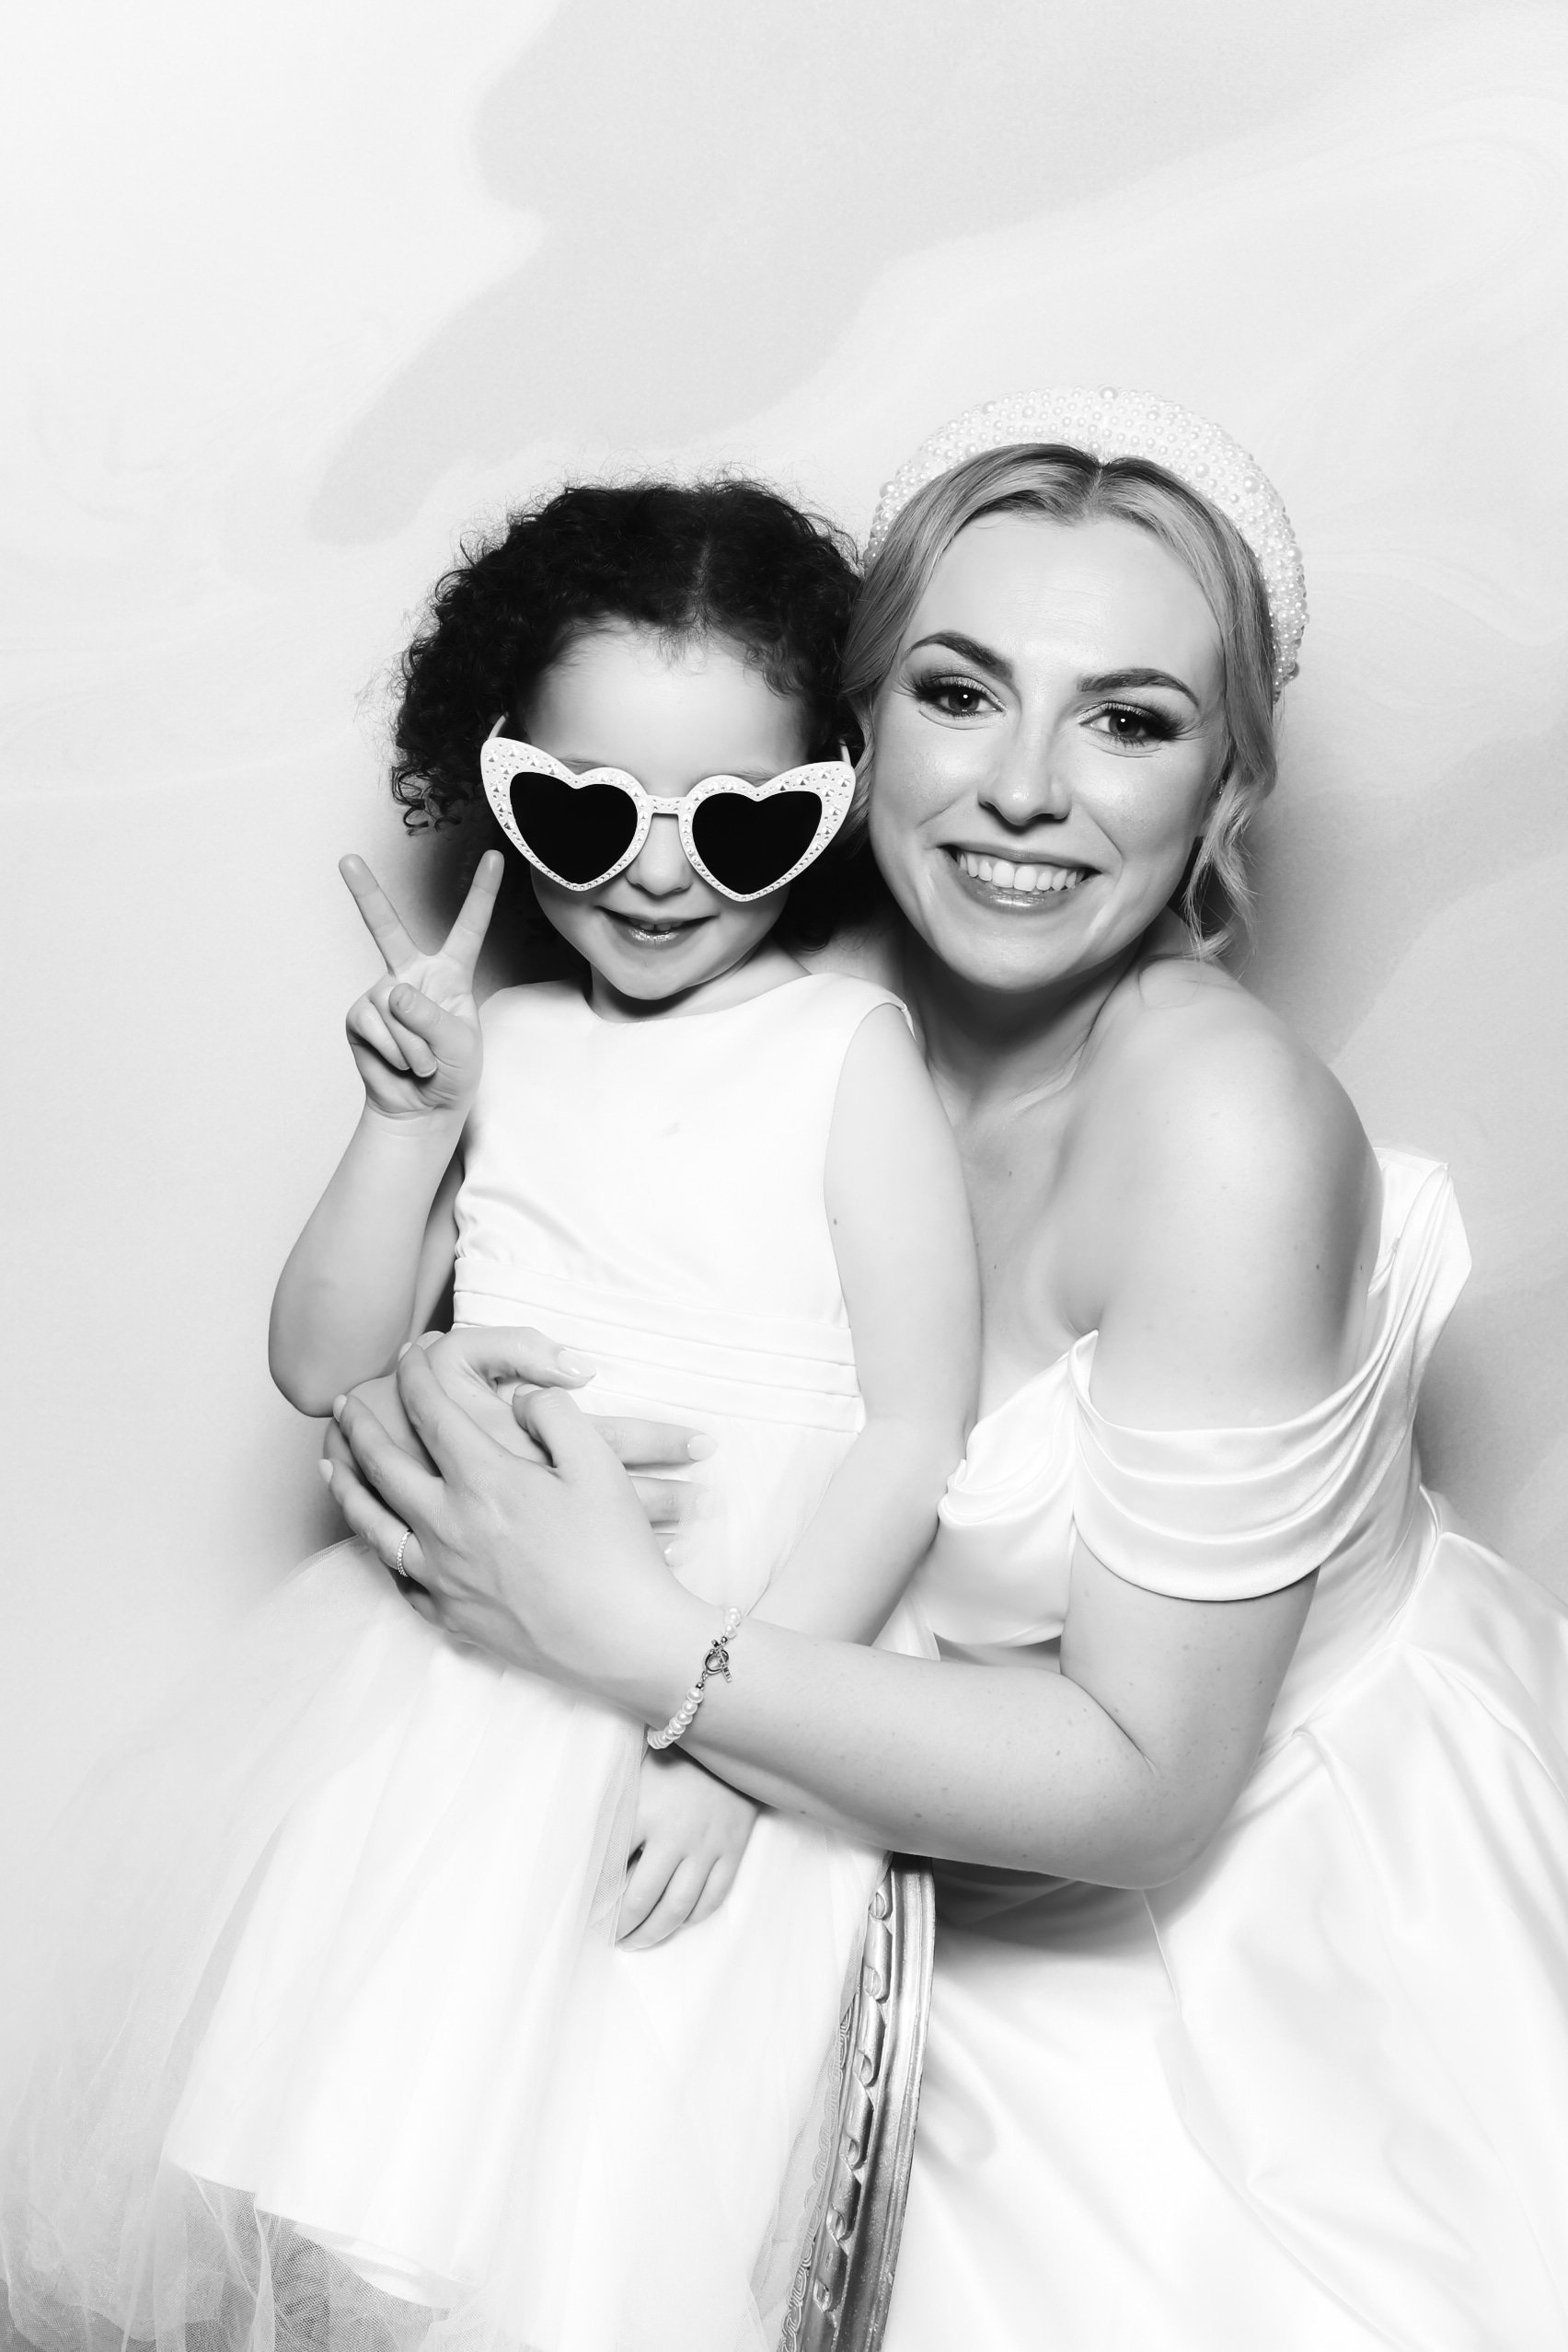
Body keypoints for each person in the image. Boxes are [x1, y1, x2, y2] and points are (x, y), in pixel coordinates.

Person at [325, 394, 1568, 2351]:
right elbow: (526, 1325)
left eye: (1130, 719)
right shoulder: (762, 995)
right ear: (858, 727)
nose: (1025, 791)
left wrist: (631, 1641)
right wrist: (444, 1444)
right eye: (962, 693)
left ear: (1226, 785)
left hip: (1244, 1960)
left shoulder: (1224, 1134)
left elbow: (1151, 1790)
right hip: (843, 1861)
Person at [0, 481, 977, 2352]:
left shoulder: (848, 1054)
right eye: (590, 813)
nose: (660, 875)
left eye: (743, 822)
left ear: (834, 802)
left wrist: (734, 1751)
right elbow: (322, 1362)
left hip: (737, 1669)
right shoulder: (499, 1047)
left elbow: (916, 1429)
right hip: (455, 1692)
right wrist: (407, 1124)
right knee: (383, 2140)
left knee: (623, 2180)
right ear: (500, 784)